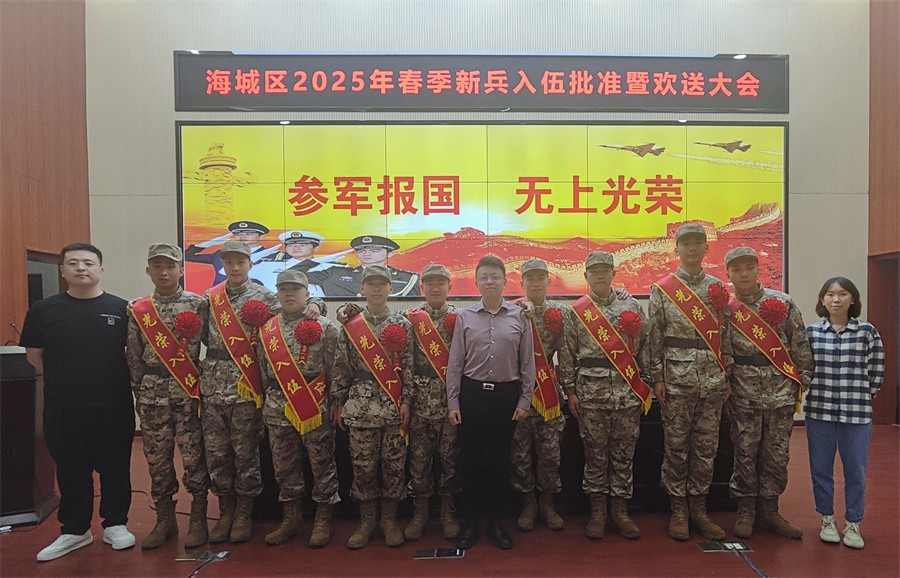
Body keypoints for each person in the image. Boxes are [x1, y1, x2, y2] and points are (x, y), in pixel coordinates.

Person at [21, 243, 136, 561]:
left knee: (116, 468)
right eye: (73, 263)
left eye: (88, 262)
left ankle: (116, 524)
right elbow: (34, 355)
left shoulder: (121, 309)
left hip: (113, 406)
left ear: (101, 269)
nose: (81, 268)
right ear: (62, 270)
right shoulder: (43, 310)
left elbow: (134, 355)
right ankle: (75, 530)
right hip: (64, 407)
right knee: (71, 469)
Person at [648, 223, 733, 541]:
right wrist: (657, 377)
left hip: (712, 380)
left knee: (706, 448)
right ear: (677, 250)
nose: (692, 248)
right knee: (676, 446)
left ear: (706, 248)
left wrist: (727, 373)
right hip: (677, 380)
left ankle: (699, 508)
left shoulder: (717, 288)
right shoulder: (663, 289)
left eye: (698, 243)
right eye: (686, 244)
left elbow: (725, 335)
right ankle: (679, 510)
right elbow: (655, 337)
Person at [558, 251, 651, 540]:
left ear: (613, 273)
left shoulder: (631, 305)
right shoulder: (576, 311)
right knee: (595, 454)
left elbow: (645, 347)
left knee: (624, 454)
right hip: (590, 393)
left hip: (626, 392)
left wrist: (645, 384)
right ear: (586, 275)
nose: (599, 275)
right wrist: (570, 391)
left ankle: (621, 511)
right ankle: (598, 512)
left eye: (604, 270)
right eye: (594, 271)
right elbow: (566, 353)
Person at [723, 247, 813, 539]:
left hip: (780, 392)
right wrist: (727, 391)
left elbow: (799, 345)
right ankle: (746, 511)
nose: (744, 274)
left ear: (758, 269)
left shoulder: (782, 303)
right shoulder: (725, 309)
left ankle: (771, 510)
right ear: (728, 274)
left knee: (776, 454)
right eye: (737, 270)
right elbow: (723, 352)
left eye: (749, 267)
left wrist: (800, 383)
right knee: (745, 452)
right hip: (743, 393)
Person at [447, 256, 535, 551]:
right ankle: (471, 522)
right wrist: (453, 401)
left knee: (499, 462)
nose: (489, 282)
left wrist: (525, 399)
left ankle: (496, 522)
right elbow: (455, 363)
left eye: (494, 276)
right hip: (472, 395)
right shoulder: (465, 317)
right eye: (484, 277)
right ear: (476, 282)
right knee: (470, 462)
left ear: (504, 281)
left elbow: (527, 363)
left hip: (505, 397)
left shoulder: (520, 316)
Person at [126, 243, 210, 549]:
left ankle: (198, 518)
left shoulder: (199, 304)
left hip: (188, 393)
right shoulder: (138, 309)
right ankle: (165, 520)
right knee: (157, 460)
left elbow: (215, 343)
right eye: (158, 266)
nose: (164, 272)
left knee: (194, 456)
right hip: (152, 396)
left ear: (181, 270)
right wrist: (139, 392)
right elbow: (134, 356)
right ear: (148, 270)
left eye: (170, 266)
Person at [256, 270, 345, 547]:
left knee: (322, 464)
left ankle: (322, 519)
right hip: (277, 407)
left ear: (307, 293)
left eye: (295, 289)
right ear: (277, 294)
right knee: (284, 466)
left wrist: (337, 401)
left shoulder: (326, 327)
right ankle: (291, 518)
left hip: (314, 406)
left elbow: (337, 369)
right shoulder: (267, 329)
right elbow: (262, 369)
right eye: (284, 289)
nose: (289, 294)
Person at [200, 240, 279, 544]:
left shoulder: (264, 297)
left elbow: (293, 311)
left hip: (246, 386)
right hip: (213, 387)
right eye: (229, 262)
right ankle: (225, 512)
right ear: (222, 264)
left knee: (245, 452)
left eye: (240, 262)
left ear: (250, 264)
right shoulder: (210, 298)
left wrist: (316, 306)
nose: (234, 268)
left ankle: (244, 513)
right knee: (217, 454)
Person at [333, 265, 413, 549]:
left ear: (391, 288)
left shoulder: (403, 324)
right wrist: (338, 400)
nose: (376, 288)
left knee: (393, 466)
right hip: (360, 405)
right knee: (363, 467)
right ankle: (367, 521)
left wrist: (407, 400)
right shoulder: (351, 323)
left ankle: (389, 521)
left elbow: (409, 367)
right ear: (362, 289)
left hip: (393, 406)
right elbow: (341, 365)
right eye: (371, 284)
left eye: (382, 284)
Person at [805, 277, 884, 549]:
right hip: (820, 411)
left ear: (853, 299)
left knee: (856, 470)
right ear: (822, 300)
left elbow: (876, 371)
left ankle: (853, 522)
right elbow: (805, 368)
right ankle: (827, 519)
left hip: (857, 414)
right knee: (820, 469)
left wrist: (861, 396)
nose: (836, 299)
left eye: (842, 294)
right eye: (830, 294)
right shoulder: (812, 332)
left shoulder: (867, 332)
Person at [402, 264, 460, 541]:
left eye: (441, 283)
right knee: (419, 462)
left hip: (450, 404)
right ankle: (420, 514)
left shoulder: (461, 319)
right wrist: (407, 400)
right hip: (420, 404)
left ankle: (448, 514)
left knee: (450, 461)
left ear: (450, 287)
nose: (435, 288)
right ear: (421, 287)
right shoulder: (410, 319)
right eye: (430, 283)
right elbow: (406, 363)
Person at [509, 259, 567, 533]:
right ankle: (528, 504)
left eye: (540, 278)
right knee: (520, 454)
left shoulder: (560, 313)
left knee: (550, 454)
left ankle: (548, 504)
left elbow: (566, 355)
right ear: (521, 283)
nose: (535, 283)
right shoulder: (512, 311)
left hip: (548, 396)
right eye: (530, 278)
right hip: (519, 396)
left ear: (548, 281)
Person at [309, 235, 420, 297]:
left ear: (390, 253)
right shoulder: (334, 273)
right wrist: (314, 261)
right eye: (361, 251)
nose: (367, 254)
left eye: (374, 251)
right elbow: (299, 276)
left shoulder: (408, 278)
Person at [251, 229, 351, 290]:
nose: (296, 247)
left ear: (316, 247)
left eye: (302, 244)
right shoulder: (267, 265)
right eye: (291, 245)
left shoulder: (332, 267)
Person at [184, 221, 279, 285]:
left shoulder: (274, 255)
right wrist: (209, 243)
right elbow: (186, 256)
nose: (242, 237)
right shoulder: (220, 254)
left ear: (261, 236)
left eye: (248, 234)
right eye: (238, 234)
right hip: (221, 301)